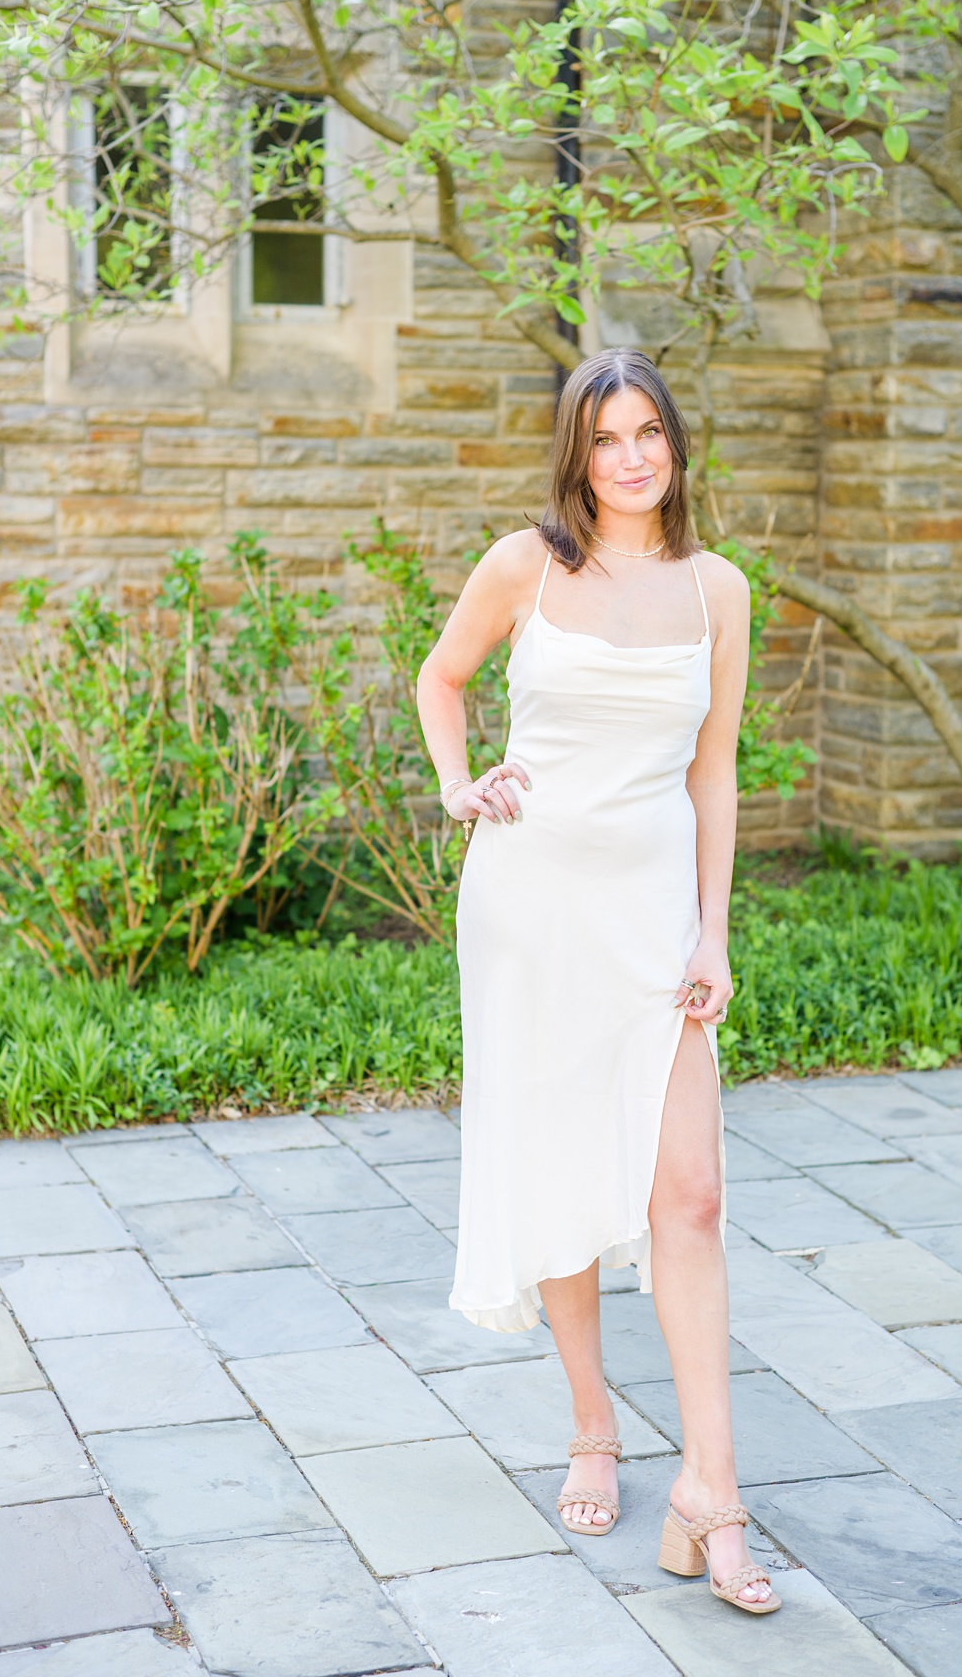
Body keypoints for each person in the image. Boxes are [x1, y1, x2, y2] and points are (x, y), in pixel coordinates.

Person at [414, 347, 774, 1615]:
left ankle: (709, 1491)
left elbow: (713, 770)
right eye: (608, 437)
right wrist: (462, 785)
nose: (632, 456)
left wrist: (713, 929)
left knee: (693, 1191)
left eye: (651, 434)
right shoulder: (529, 564)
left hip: (654, 922)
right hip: (530, 906)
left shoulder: (718, 589)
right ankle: (592, 1426)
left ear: (676, 446)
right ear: (577, 452)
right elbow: (441, 679)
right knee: (560, 1158)